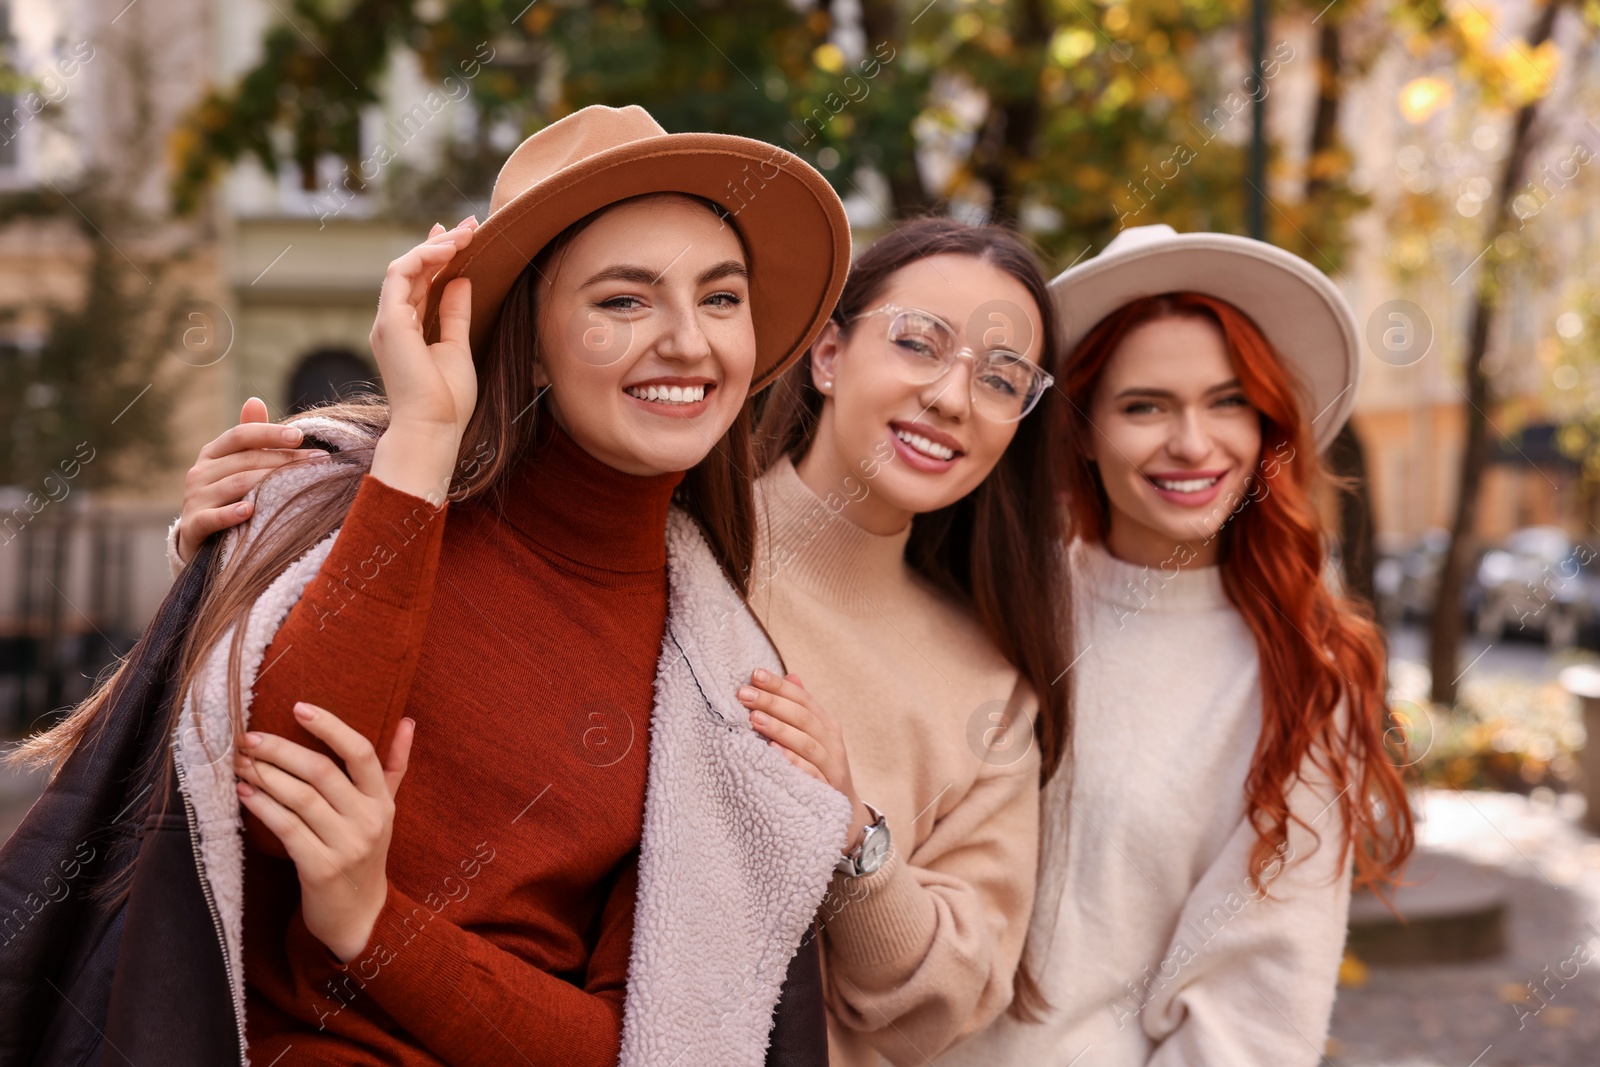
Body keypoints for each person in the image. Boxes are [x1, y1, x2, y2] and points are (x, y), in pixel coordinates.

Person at [15, 104, 853, 1067]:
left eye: (720, 298)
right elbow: (280, 779)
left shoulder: (718, 674)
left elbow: (644, 1046)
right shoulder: (380, 508)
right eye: (623, 302)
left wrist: (375, 923)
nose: (687, 343)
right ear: (531, 339)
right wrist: (419, 435)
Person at [942, 224, 1414, 1066]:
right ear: (1082, 431)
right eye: (1145, 405)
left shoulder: (1301, 679)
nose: (1193, 443)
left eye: (1228, 400)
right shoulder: (994, 601)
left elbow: (1252, 1021)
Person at [740, 217, 1070, 1067]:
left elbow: (951, 998)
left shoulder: (992, 683)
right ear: (826, 356)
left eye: (1002, 379)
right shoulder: (677, 547)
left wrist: (856, 837)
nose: (953, 398)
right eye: (919, 344)